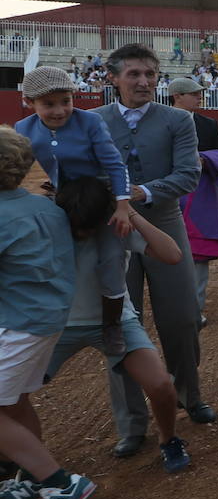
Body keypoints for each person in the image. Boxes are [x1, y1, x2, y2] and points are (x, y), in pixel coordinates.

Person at [94, 43, 214, 453]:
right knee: (118, 326)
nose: (144, 82)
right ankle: (131, 423)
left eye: (150, 74)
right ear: (113, 78)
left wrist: (135, 193)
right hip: (111, 230)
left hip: (162, 221)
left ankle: (189, 396)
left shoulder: (178, 120)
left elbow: (187, 176)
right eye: (134, 74)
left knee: (181, 317)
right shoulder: (91, 121)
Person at [47, 178, 191, 474]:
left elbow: (172, 254)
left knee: (162, 385)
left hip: (115, 320)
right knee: (11, 392)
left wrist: (128, 210)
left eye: (88, 226)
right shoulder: (49, 224)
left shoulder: (116, 227)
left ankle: (169, 438)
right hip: (57, 324)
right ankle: (23, 456)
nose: (81, 233)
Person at [0, 126, 98, 499]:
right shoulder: (46, 207)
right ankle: (31, 476)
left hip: (17, 322)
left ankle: (59, 482)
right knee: (15, 401)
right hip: (45, 320)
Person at [16, 66, 134, 354]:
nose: (59, 111)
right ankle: (48, 316)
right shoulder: (23, 129)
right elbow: (17, 168)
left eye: (65, 101)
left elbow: (115, 165)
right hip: (63, 198)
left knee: (111, 256)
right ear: (29, 103)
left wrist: (121, 206)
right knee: (47, 252)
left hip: (100, 196)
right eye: (48, 104)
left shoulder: (89, 122)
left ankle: (112, 324)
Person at [168, 77, 218, 327]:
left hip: (199, 198)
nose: (199, 97)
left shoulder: (208, 124)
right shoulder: (158, 120)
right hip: (168, 194)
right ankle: (172, 307)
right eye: (194, 94)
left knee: (198, 255)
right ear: (177, 96)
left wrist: (206, 160)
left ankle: (194, 311)